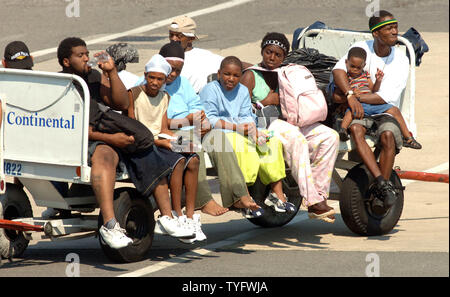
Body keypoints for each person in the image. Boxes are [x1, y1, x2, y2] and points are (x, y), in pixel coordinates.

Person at [57, 37, 191, 248]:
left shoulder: (93, 76)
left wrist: (110, 73)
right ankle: (110, 225)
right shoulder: (60, 84)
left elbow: (119, 103)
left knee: (148, 150)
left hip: (103, 132)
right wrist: (112, 139)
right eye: (80, 55)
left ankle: (167, 217)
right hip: (83, 138)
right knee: (107, 155)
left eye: (86, 53)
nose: (86, 58)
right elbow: (69, 127)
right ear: (66, 61)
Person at [240, 32, 338, 222]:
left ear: (284, 57)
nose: (272, 58)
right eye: (269, 52)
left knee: (330, 137)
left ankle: (319, 195)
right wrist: (264, 102)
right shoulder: (251, 75)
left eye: (278, 55)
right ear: (262, 51)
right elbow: (240, 109)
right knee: (297, 138)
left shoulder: (286, 74)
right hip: (264, 125)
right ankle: (313, 201)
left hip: (289, 123)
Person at [332, 10, 409, 213]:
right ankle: (383, 185)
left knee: (387, 136)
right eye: (389, 28)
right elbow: (338, 71)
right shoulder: (360, 48)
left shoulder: (401, 59)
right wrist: (349, 94)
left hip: (383, 110)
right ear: (376, 33)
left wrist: (353, 97)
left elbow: (384, 98)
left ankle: (378, 188)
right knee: (356, 131)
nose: (395, 31)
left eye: (395, 27)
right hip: (361, 111)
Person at [127, 54, 205, 243]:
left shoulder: (165, 97)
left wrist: (179, 141)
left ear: (165, 80)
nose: (154, 82)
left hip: (158, 139)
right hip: (143, 142)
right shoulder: (134, 93)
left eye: (159, 79)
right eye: (151, 77)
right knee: (177, 160)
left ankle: (189, 216)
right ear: (145, 75)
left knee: (193, 157)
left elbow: (163, 129)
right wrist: (168, 143)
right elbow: (132, 126)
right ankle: (175, 213)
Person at [200, 56, 288, 216]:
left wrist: (253, 130)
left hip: (242, 131)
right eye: (227, 74)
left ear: (241, 76)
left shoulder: (242, 90)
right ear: (219, 73)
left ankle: (277, 194)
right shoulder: (210, 90)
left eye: (235, 75)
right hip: (219, 134)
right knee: (242, 144)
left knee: (271, 141)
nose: (231, 79)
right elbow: (209, 119)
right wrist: (237, 127)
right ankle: (244, 195)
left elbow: (247, 114)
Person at [159, 41, 229, 217]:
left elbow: (196, 106)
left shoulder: (182, 82)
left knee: (219, 139)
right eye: (171, 69)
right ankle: (204, 200)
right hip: (172, 131)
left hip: (190, 127)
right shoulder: (152, 82)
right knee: (193, 144)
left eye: (178, 70)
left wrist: (202, 122)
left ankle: (237, 194)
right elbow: (159, 123)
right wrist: (187, 121)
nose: (173, 74)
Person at [336, 47, 422, 149]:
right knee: (350, 112)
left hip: (371, 104)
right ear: (346, 63)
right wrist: (352, 94)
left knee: (394, 110)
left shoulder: (365, 75)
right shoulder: (345, 77)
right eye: (352, 66)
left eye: (358, 67)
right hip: (358, 105)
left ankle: (408, 138)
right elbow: (341, 94)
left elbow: (373, 90)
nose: (355, 70)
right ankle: (343, 130)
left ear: (364, 65)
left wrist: (378, 81)